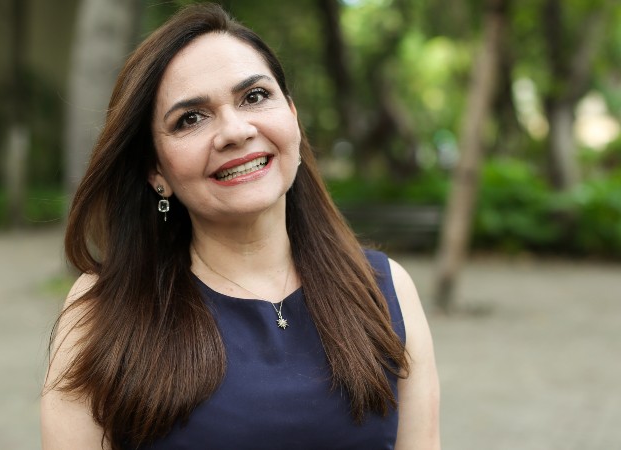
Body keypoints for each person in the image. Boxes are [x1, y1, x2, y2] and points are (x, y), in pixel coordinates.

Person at [42, 4, 439, 449]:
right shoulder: (102, 312)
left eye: (254, 97)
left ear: (292, 116)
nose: (234, 131)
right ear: (156, 171)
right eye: (190, 118)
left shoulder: (386, 291)